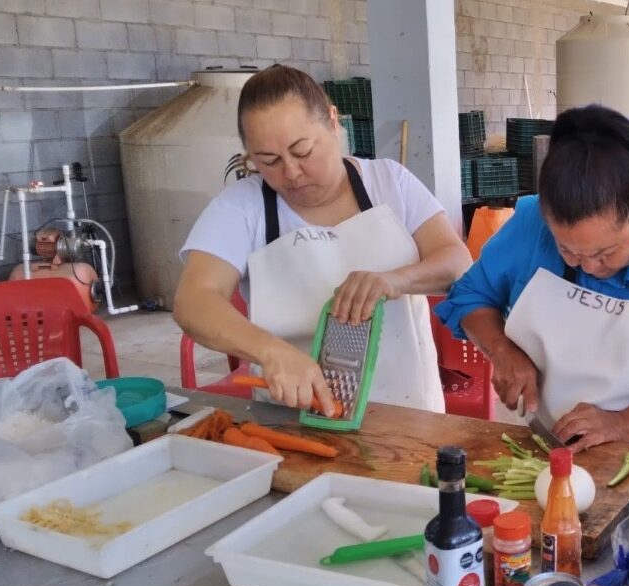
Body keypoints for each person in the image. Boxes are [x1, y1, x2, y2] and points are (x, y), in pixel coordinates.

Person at [436, 105, 629, 461]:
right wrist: (502, 350)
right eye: (567, 250)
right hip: (540, 452)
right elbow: (472, 295)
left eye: (606, 252)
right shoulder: (530, 225)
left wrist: (621, 423)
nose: (588, 266)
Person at [175, 65, 472, 415]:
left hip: (408, 410)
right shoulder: (242, 206)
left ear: (332, 121)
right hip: (291, 416)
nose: (291, 173)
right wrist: (271, 352)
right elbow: (194, 300)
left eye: (302, 151)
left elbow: (457, 263)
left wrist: (395, 280)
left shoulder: (391, 182)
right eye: (268, 161)